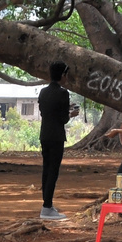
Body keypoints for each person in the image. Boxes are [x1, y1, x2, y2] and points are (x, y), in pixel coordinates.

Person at [37, 61, 78, 220]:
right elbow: (62, 119)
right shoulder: (63, 93)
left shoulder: (43, 92)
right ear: (63, 75)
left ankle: (46, 203)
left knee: (46, 169)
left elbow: (46, 112)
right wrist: (70, 114)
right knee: (53, 170)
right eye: (66, 75)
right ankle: (47, 207)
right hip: (57, 136)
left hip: (44, 134)